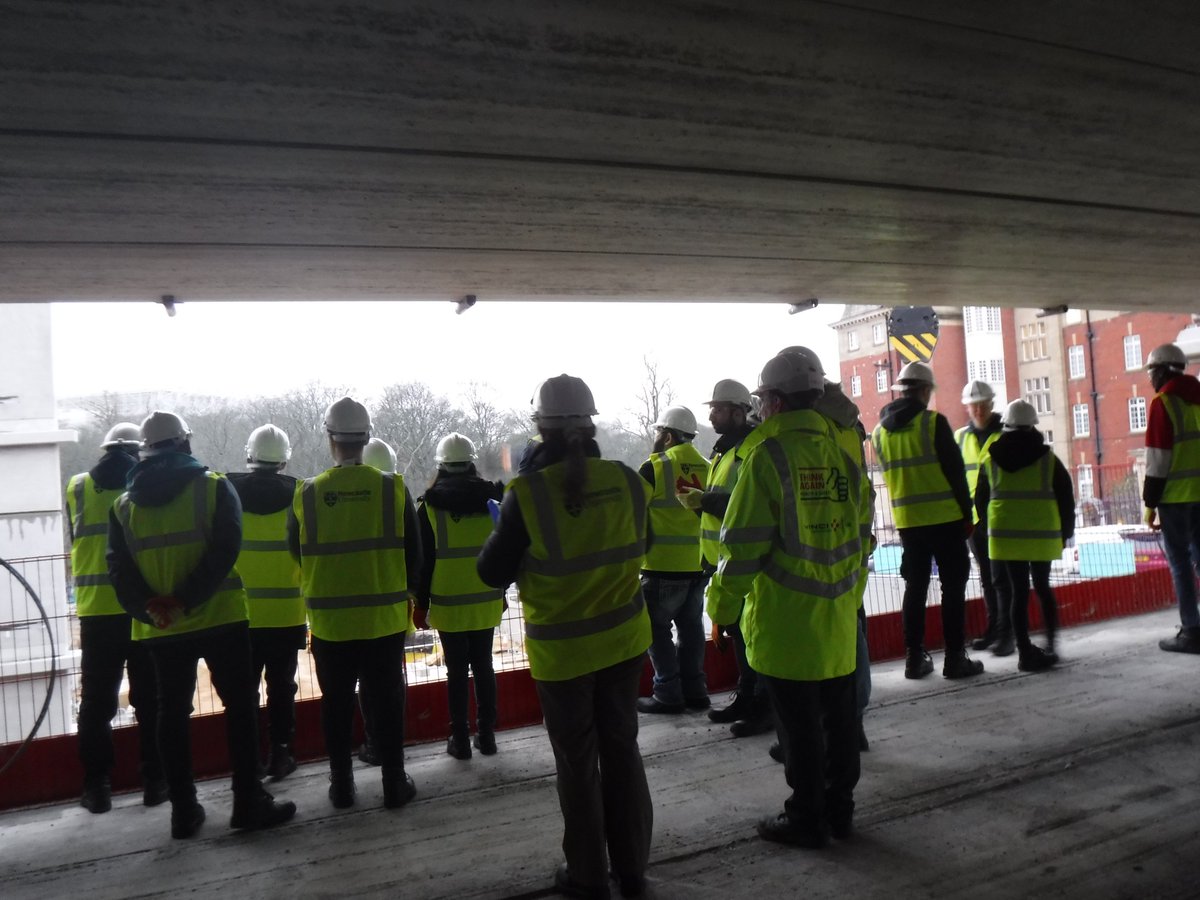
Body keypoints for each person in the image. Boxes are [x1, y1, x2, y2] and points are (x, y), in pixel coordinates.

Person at [478, 374, 653, 900]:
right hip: (624, 643)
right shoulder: (626, 480)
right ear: (591, 424)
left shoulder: (526, 495)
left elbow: (491, 573)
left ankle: (587, 877)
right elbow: (641, 543)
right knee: (622, 749)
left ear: (540, 430)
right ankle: (633, 870)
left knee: (578, 764)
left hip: (565, 654)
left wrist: (503, 530)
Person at [107, 411, 295, 839]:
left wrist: (153, 608)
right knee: (241, 709)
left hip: (161, 628)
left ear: (146, 450)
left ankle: (183, 811)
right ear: (184, 443)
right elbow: (227, 548)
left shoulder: (123, 506)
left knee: (170, 714)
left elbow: (118, 570)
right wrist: (187, 598)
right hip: (221, 619)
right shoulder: (213, 487)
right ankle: (248, 802)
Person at [706, 352, 864, 848]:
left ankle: (806, 818)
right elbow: (863, 538)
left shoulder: (766, 458)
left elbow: (742, 547)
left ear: (773, 402)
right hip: (837, 620)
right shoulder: (841, 455)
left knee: (798, 732)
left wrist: (721, 608)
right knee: (839, 726)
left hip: (785, 625)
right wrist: (848, 595)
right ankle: (840, 811)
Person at [288, 397, 422, 810]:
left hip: (331, 625)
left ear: (330, 438)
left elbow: (296, 551)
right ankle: (394, 784)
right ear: (366, 437)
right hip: (383, 622)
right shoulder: (392, 488)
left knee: (337, 704)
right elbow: (414, 556)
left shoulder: (307, 494)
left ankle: (342, 786)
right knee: (387, 702)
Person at [67, 422, 165, 813]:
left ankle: (97, 787)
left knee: (96, 702)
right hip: (139, 608)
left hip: (95, 613)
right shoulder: (142, 489)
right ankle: (156, 782)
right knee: (150, 699)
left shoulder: (77, 487)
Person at [871, 361, 984, 679]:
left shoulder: (879, 433)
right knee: (953, 588)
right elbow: (956, 473)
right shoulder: (933, 423)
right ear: (922, 391)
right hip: (945, 520)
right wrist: (967, 515)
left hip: (908, 523)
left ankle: (914, 659)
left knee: (915, 588)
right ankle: (954, 659)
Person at [679, 380, 773, 736]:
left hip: (744, 559)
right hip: (722, 557)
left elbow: (744, 503)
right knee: (738, 633)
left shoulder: (750, 448)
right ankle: (746, 698)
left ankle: (762, 706)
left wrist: (704, 501)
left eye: (717, 409)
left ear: (738, 411)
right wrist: (700, 501)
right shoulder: (724, 450)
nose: (711, 415)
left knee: (752, 636)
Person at [413, 432, 504, 760]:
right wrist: (501, 592)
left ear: (441, 466)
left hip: (449, 603)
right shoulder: (494, 501)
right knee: (484, 666)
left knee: (456, 672)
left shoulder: (429, 507)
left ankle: (460, 739)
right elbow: (504, 552)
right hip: (485, 599)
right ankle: (488, 735)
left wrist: (420, 604)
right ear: (471, 463)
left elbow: (425, 563)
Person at [226, 424, 305, 780]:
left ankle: (249, 761)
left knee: (244, 693)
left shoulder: (226, 492)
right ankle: (281, 754)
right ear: (285, 460)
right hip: (287, 613)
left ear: (249, 455)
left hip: (240, 615)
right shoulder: (300, 494)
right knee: (282, 687)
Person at [974, 400, 1074, 672]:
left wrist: (987, 528)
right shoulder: (1048, 459)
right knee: (1042, 587)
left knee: (1019, 592)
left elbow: (980, 499)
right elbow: (1066, 497)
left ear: (1005, 426)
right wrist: (1067, 531)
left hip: (1006, 536)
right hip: (1042, 535)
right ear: (1033, 426)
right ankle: (1051, 644)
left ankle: (1025, 652)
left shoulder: (990, 459)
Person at [635, 406, 711, 715]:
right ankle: (696, 691)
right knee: (692, 629)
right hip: (699, 565)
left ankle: (667, 692)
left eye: (657, 433)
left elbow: (632, 510)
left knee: (656, 630)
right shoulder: (709, 466)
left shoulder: (654, 467)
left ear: (667, 436)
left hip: (661, 567)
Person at [1141, 343, 1200, 653]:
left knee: (1180, 564)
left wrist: (1150, 505)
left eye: (1152, 371)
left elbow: (1157, 460)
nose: (1150, 377)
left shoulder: (1163, 403)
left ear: (1162, 371)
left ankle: (1191, 630)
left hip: (1175, 498)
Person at [956, 380, 1014, 656]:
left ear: (992, 404)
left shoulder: (1006, 434)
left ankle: (1007, 634)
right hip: (974, 520)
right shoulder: (960, 438)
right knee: (988, 578)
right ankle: (995, 630)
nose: (978, 409)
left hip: (1001, 517)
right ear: (967, 407)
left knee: (1003, 578)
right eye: (973, 404)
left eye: (982, 404)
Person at [355, 435, 399, 766]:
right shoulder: (396, 494)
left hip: (344, 614)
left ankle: (369, 746)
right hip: (390, 611)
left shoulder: (325, 496)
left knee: (364, 686)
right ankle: (393, 754)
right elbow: (415, 555)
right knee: (388, 682)